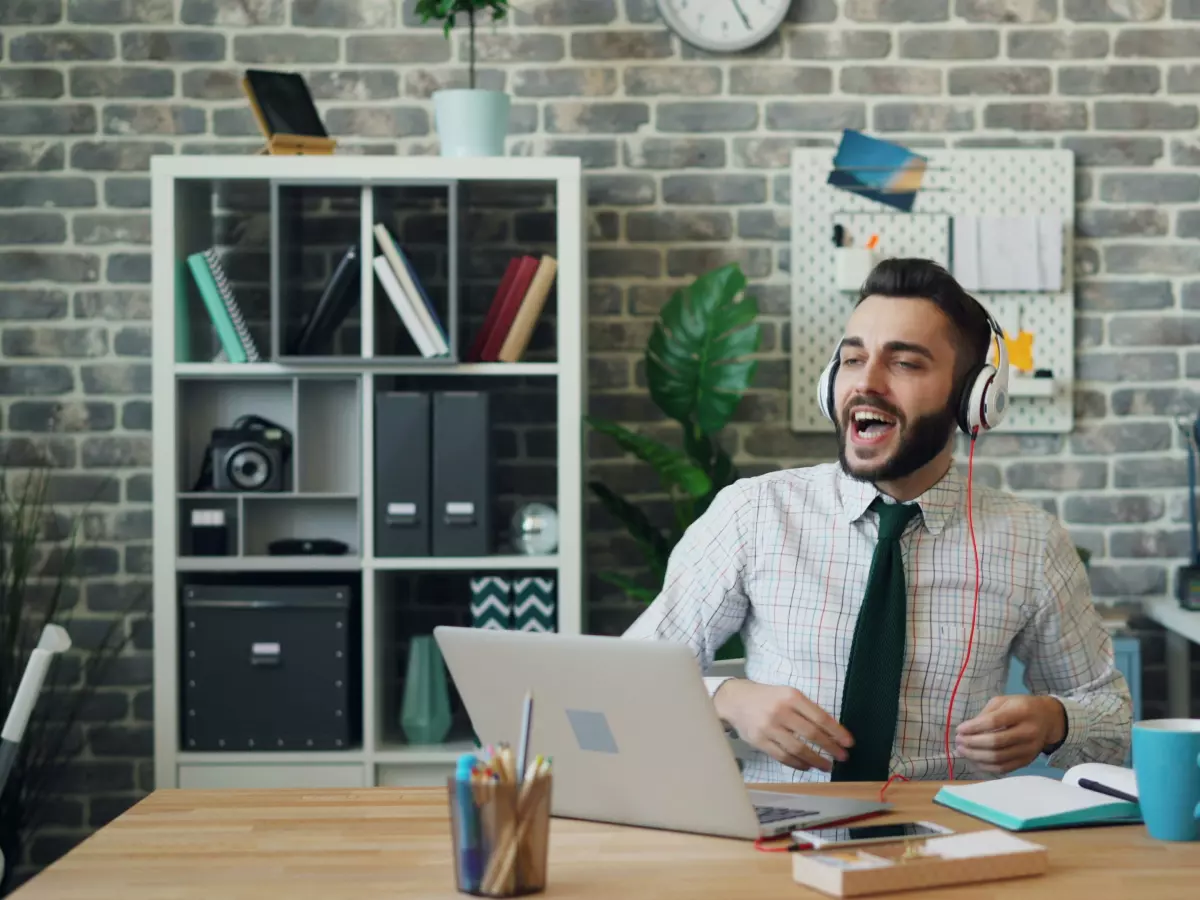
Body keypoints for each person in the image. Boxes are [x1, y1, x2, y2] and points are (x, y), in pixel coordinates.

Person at [624, 257, 1132, 784]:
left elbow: (1112, 724)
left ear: (969, 399)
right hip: (780, 845)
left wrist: (1055, 721)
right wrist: (727, 699)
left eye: (905, 363)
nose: (866, 384)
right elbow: (626, 678)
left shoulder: (1031, 542)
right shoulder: (755, 513)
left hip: (949, 843)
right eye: (851, 359)